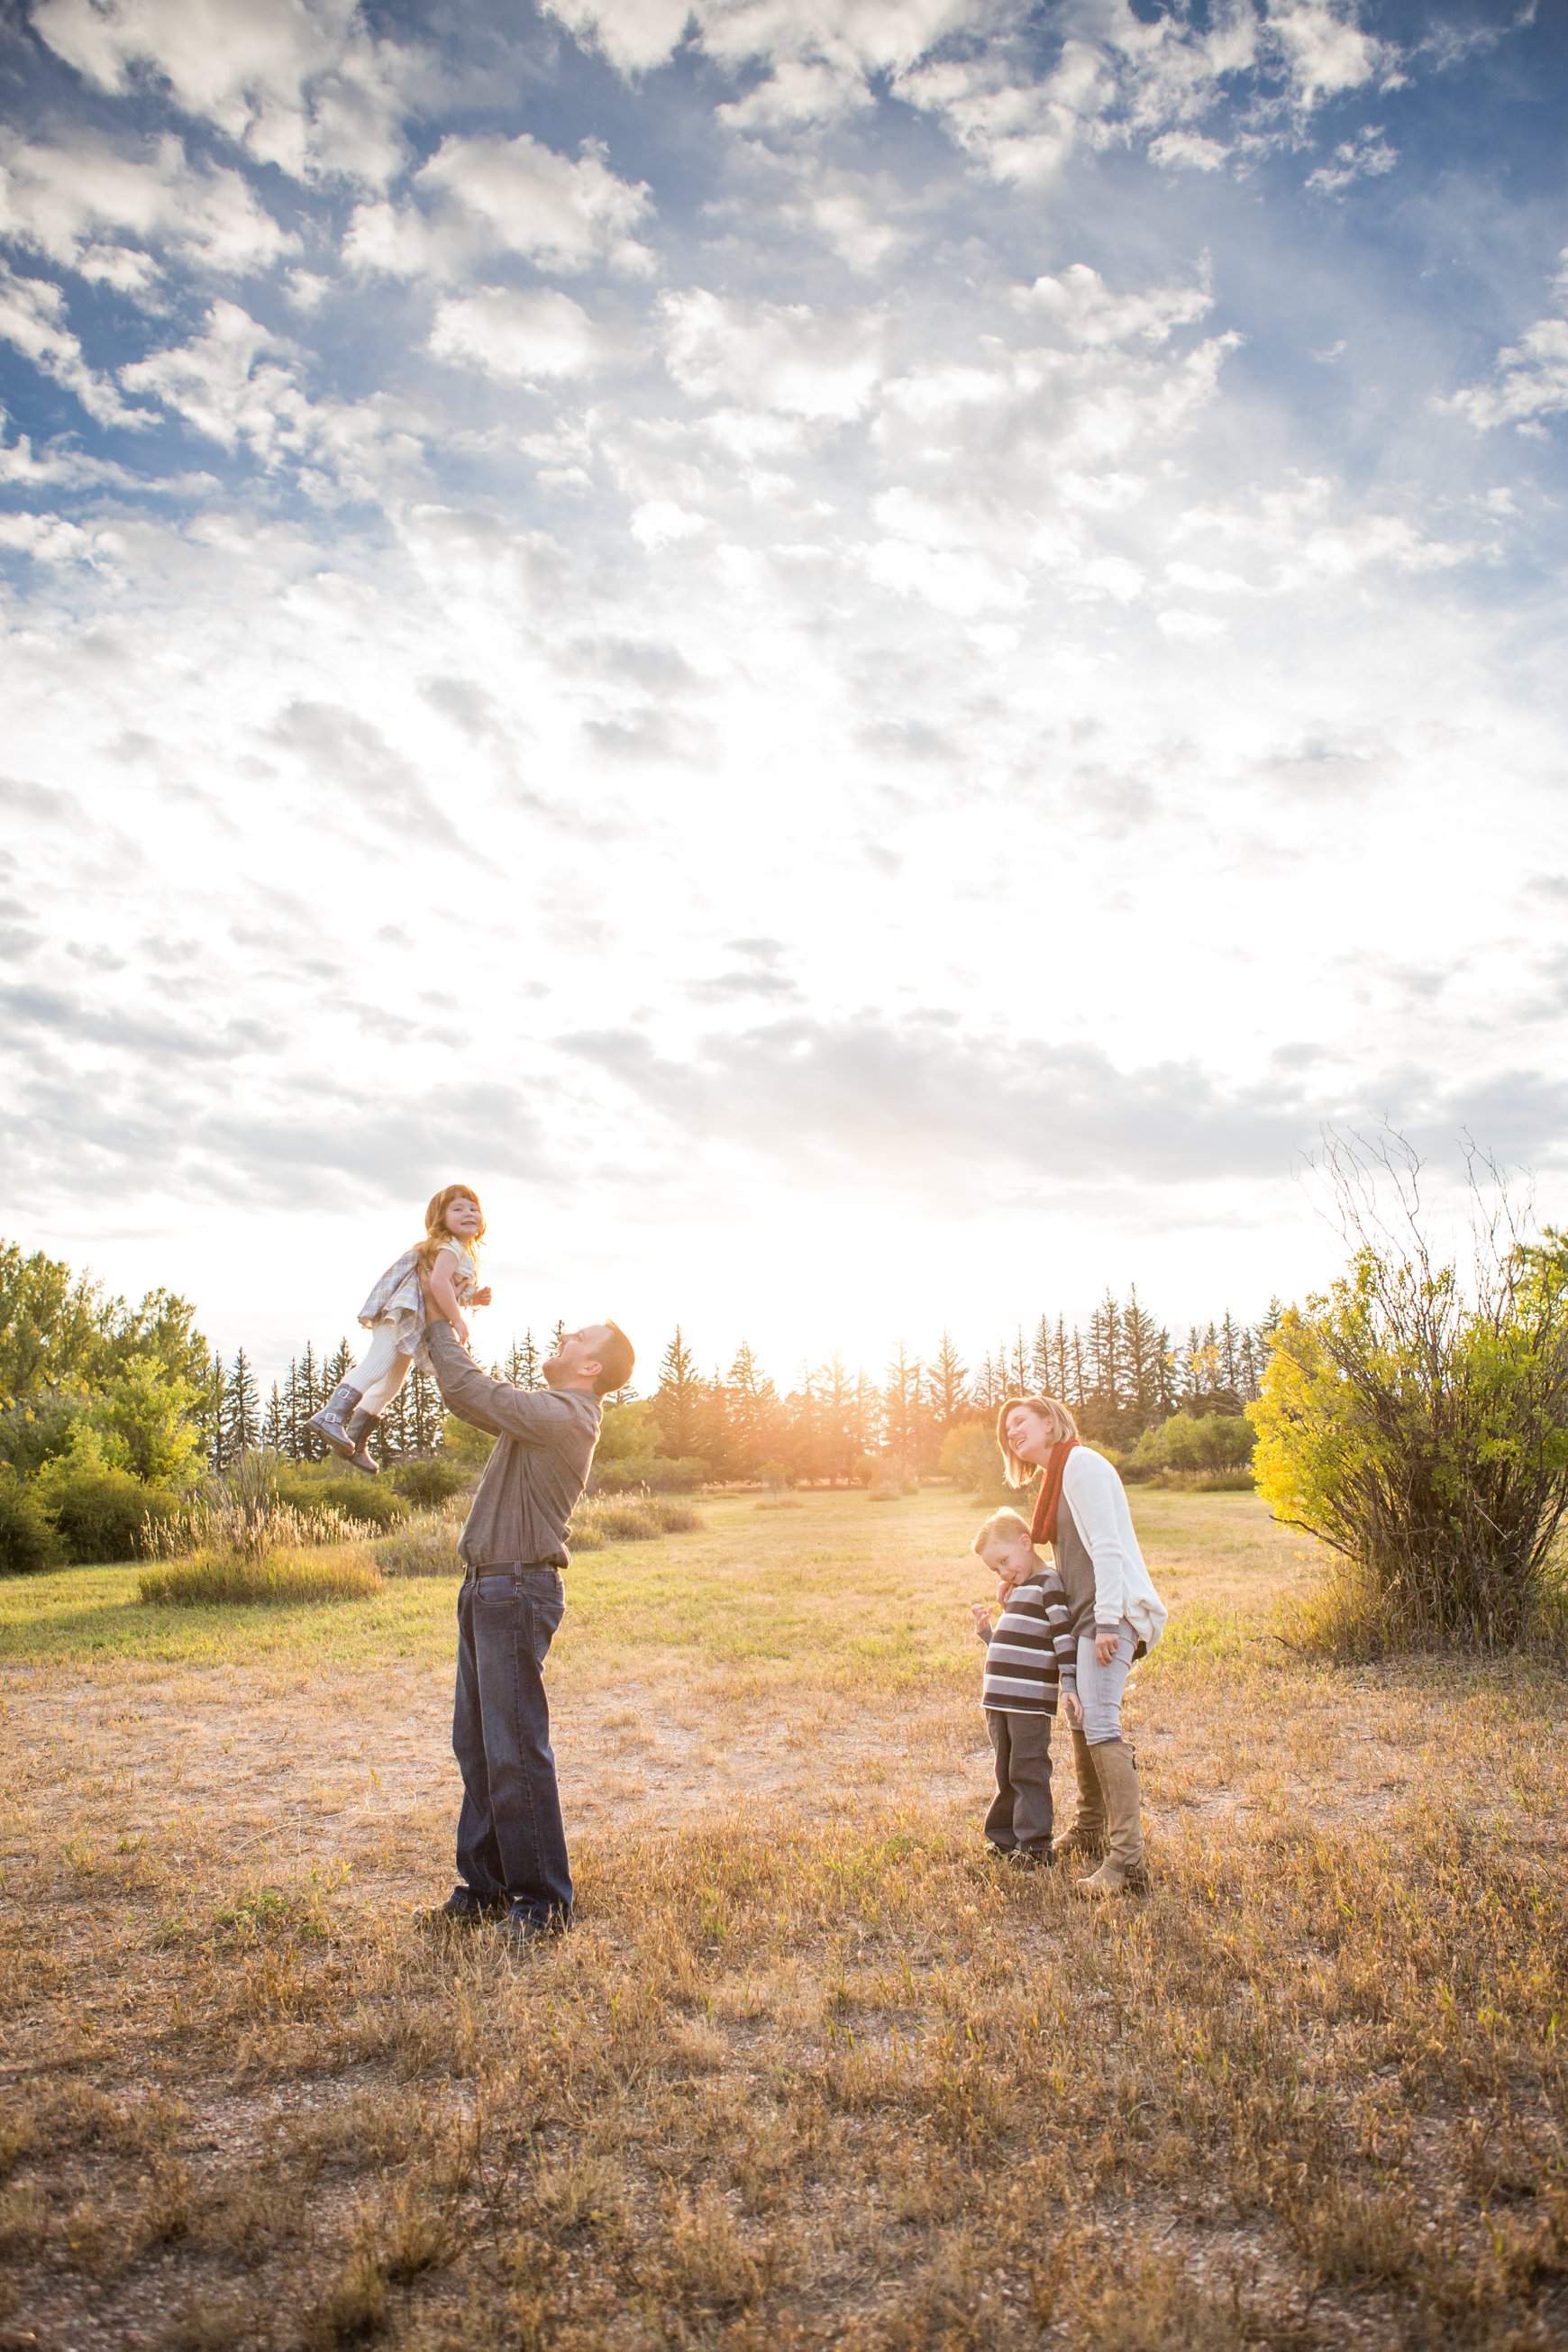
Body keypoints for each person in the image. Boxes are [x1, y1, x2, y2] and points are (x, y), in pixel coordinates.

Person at [414, 1286, 634, 1946]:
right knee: (478, 1747)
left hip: (515, 1590)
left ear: (590, 1368)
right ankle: (483, 1890)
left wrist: (436, 1322)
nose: (563, 1339)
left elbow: (474, 1395)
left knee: (513, 1749)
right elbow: (487, 1391)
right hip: (487, 1588)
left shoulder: (569, 1413)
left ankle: (542, 1904)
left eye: (576, 1340)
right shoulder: (549, 1410)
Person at [997, 1395, 1168, 1897]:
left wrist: (1110, 1621)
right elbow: (1066, 1560)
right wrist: (1019, 1580)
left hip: (1107, 1615)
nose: (1012, 1433)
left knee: (1100, 1721)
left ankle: (1127, 1860)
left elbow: (1109, 1546)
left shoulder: (1083, 1464)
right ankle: (1093, 1826)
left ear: (1049, 1422)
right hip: (1085, 1615)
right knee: (1081, 1717)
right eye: (1006, 1429)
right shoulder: (1056, 1479)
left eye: (1020, 1422)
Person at [306, 1184, 492, 1473]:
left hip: (412, 1317)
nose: (468, 1213)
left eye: (473, 1208)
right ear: (440, 1219)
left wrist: (473, 1297)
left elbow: (450, 1288)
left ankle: (355, 1439)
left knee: (391, 1385)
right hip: (403, 1310)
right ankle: (331, 1415)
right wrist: (457, 1319)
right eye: (457, 1209)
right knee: (376, 1364)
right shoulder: (449, 1247)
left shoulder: (461, 1252)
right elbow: (438, 1283)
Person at [970, 1508, 1080, 1868]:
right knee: (1004, 1770)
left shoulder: (1049, 1583)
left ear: (1025, 1542)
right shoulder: (1017, 1589)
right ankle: (1004, 1840)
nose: (1002, 1572)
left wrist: (1069, 1683)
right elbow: (1014, 1646)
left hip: (1029, 1701)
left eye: (1004, 1561)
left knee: (1027, 1769)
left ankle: (1034, 1846)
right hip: (999, 1697)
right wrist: (988, 1633)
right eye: (995, 1569)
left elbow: (1063, 1636)